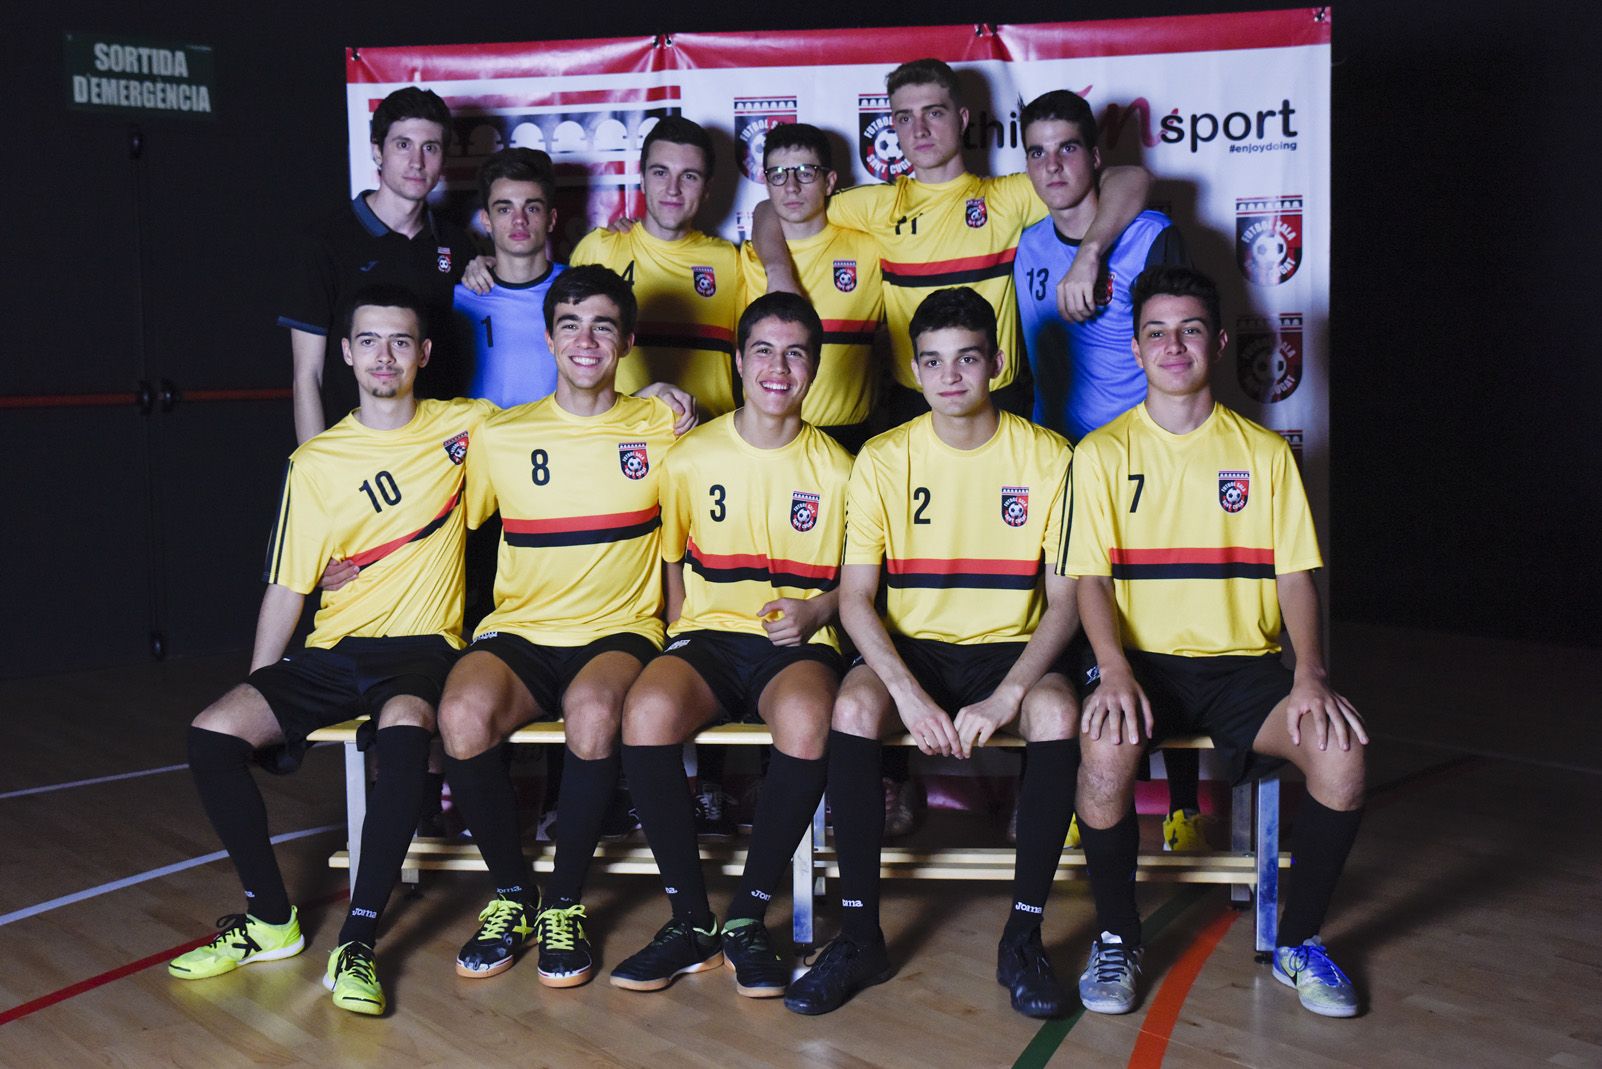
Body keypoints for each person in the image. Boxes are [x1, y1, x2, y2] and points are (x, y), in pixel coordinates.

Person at [169, 285, 493, 1015]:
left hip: (422, 649)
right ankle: (270, 919)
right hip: (336, 647)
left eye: (400, 341)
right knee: (213, 734)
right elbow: (288, 586)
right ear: (346, 354)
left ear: (424, 354)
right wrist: (264, 689)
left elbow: (563, 424)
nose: (384, 355)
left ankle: (359, 941)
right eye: (369, 341)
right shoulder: (316, 460)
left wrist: (657, 393)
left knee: (407, 731)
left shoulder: (469, 427)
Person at [1065, 266, 1367, 1019]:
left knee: (1342, 755)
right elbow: (1090, 582)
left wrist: (1310, 676)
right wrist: (1110, 671)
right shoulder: (1099, 455)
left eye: (1191, 329)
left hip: (1245, 669)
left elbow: (1296, 577)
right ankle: (1116, 936)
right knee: (1102, 753)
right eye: (1158, 332)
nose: (1174, 345)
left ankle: (1300, 941)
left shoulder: (1264, 454)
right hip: (1143, 667)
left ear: (1220, 343)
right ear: (1135, 349)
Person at [784, 287, 1081, 1020]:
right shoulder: (883, 459)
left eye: (967, 359)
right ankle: (859, 937)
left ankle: (1023, 935)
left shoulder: (1051, 457)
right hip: (914, 646)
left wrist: (1007, 694)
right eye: (933, 362)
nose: (950, 377)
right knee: (853, 704)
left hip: (1008, 645)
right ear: (914, 371)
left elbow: (1069, 597)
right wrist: (910, 695)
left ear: (997, 364)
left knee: (1057, 710)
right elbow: (855, 598)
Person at [439, 265, 684, 989]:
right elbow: (446, 519)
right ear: (548, 337)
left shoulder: (662, 425)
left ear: (627, 339)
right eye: (571, 324)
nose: (586, 339)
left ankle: (565, 904)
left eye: (603, 325)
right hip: (521, 628)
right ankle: (514, 896)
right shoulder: (500, 433)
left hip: (619, 628)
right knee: (460, 714)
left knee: (594, 712)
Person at [609, 292, 852, 999]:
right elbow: (673, 560)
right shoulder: (690, 456)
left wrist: (816, 610)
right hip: (712, 637)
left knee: (807, 721)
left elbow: (861, 585)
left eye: (796, 352)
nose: (779, 366)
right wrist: (684, 632)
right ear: (739, 361)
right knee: (646, 712)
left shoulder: (839, 470)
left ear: (813, 368)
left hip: (797, 642)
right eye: (765, 351)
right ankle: (690, 921)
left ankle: (747, 917)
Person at [752, 59, 1151, 423]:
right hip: (912, 403)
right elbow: (770, 209)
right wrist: (778, 275)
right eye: (904, 118)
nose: (919, 129)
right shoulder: (878, 205)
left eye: (934, 113)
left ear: (962, 119)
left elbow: (1130, 177)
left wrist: (1090, 253)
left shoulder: (1007, 198)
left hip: (998, 400)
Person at [1013, 89, 1199, 851]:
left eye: (1068, 147)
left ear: (1096, 156)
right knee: (1070, 640)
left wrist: (1094, 247)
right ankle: (1058, 798)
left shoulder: (1148, 234)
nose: (1052, 165)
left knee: (1161, 632)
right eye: (1036, 151)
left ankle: (1183, 800)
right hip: (1064, 471)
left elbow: (1180, 349)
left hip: (1142, 468)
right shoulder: (1026, 246)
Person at [280, 87, 476, 443]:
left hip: (433, 455)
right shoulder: (326, 242)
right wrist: (318, 468)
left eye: (429, 148)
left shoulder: (456, 245)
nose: (417, 161)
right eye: (403, 145)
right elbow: (307, 374)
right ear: (377, 151)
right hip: (355, 452)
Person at [570, 116, 743, 417]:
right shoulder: (600, 249)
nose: (673, 189)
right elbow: (568, 355)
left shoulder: (732, 261)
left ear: (707, 188)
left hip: (707, 444)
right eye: (661, 172)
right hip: (622, 442)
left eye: (689, 176)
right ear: (642, 177)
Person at [737, 123, 885, 453]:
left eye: (805, 172)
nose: (790, 186)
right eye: (778, 174)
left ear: (829, 181)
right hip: (766, 438)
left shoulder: (871, 250)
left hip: (850, 436)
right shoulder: (746, 259)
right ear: (766, 183)